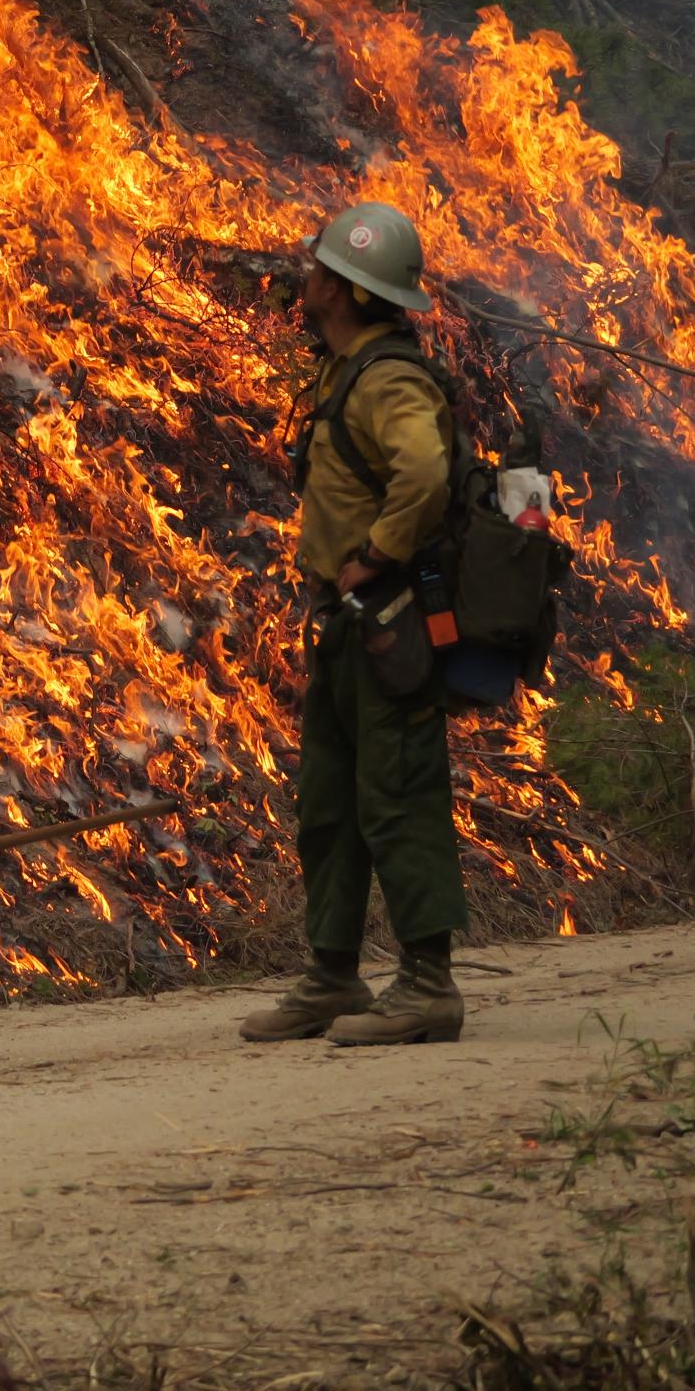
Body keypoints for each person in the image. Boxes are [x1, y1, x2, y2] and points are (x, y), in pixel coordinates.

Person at [242, 200, 469, 1047]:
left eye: (318, 270)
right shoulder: (345, 372)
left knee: (398, 796)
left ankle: (428, 985)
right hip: (345, 627)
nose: (305, 280)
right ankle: (333, 976)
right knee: (330, 804)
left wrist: (375, 554)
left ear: (344, 288)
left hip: (392, 623)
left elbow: (424, 471)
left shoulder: (390, 381)